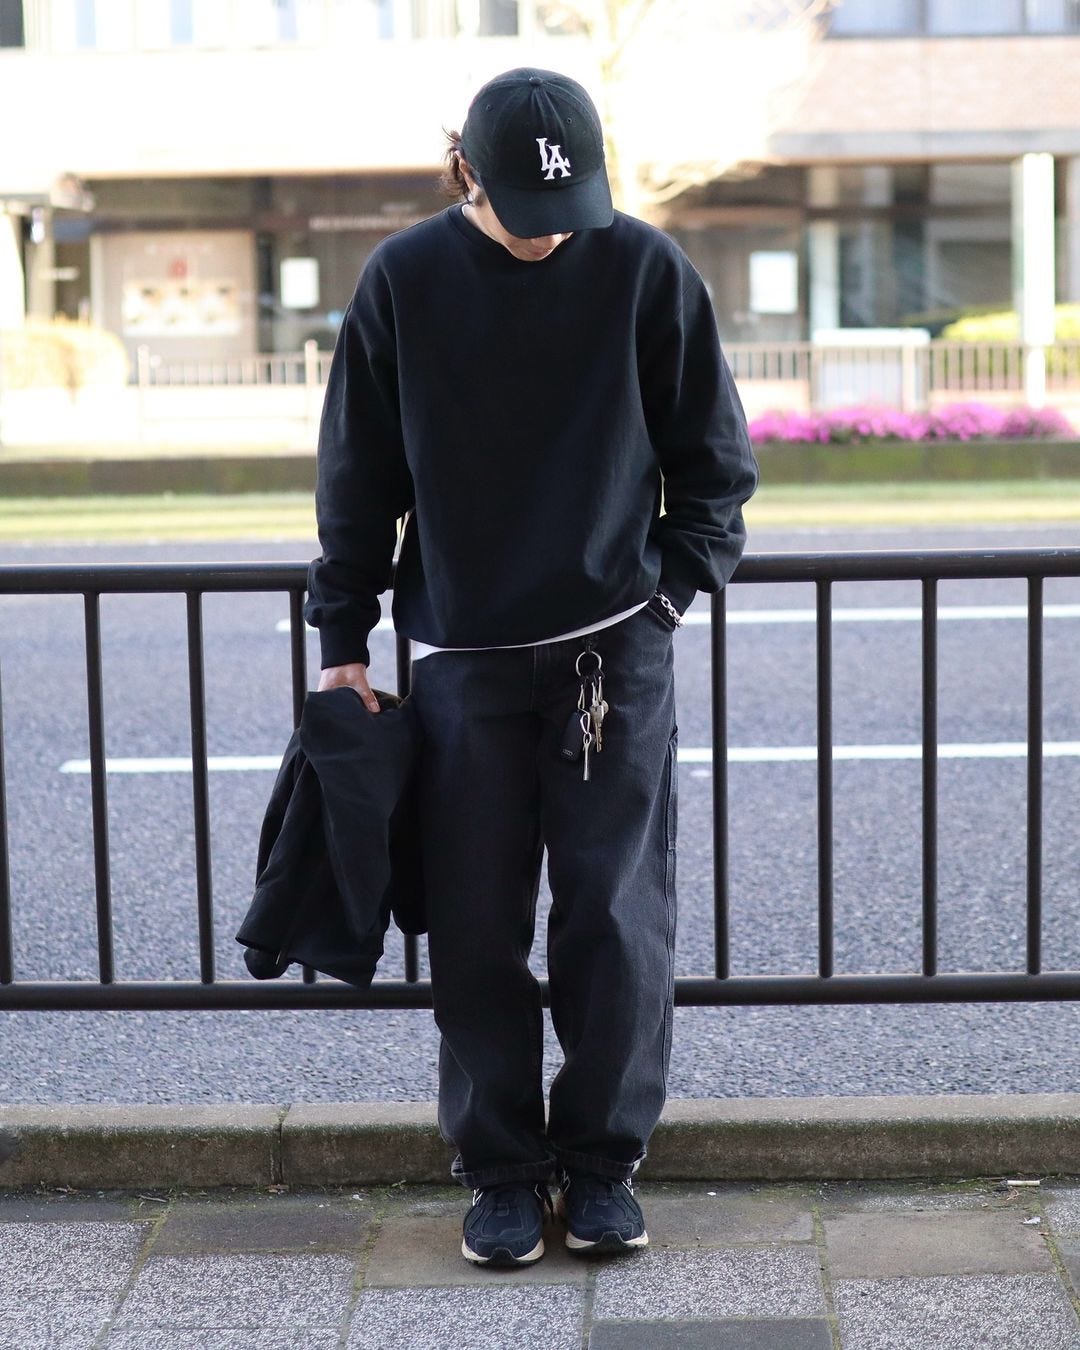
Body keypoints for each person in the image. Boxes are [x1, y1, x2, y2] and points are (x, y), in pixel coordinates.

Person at [305, 66, 758, 1267]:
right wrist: (342, 641)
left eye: (573, 206)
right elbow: (358, 478)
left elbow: (715, 466)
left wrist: (667, 594)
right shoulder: (403, 279)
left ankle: (603, 1163)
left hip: (616, 645)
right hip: (461, 659)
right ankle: (502, 1170)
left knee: (616, 919)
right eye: (524, 206)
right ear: (466, 171)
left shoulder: (644, 267)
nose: (555, 230)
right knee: (473, 926)